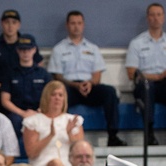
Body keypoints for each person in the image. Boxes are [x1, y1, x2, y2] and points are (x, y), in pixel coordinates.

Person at [49, 11, 125, 147]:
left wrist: (90, 83)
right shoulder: (59, 49)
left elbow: (97, 75)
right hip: (70, 88)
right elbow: (58, 76)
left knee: (110, 92)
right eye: (73, 23)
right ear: (67, 25)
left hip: (89, 87)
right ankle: (61, 138)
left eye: (79, 23)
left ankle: (113, 136)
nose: (76, 27)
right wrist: (75, 85)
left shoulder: (93, 48)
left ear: (83, 25)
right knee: (59, 94)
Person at [125, 3, 166, 146]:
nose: (155, 18)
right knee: (147, 88)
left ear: (164, 17)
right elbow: (131, 74)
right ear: (148, 18)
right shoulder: (137, 43)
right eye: (152, 15)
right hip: (146, 84)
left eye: (159, 14)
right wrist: (157, 77)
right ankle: (149, 134)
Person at [23, 80, 85, 166]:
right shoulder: (33, 121)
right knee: (55, 164)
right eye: (53, 94)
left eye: (60, 95)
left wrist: (70, 134)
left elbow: (81, 152)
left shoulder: (73, 120)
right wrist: (50, 136)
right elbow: (32, 153)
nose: (57, 98)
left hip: (69, 164)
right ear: (46, 97)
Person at [0, 36, 51, 137]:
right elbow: (5, 100)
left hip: (40, 112)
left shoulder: (43, 74)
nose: (26, 53)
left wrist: (40, 111)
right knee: (13, 121)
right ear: (17, 50)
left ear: (34, 50)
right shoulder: (10, 73)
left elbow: (50, 97)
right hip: (17, 114)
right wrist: (22, 113)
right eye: (22, 49)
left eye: (29, 49)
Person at [0, 9, 44, 91]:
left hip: (23, 89)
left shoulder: (28, 45)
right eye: (7, 22)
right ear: (2, 24)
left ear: (19, 25)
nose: (10, 26)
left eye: (14, 22)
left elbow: (39, 66)